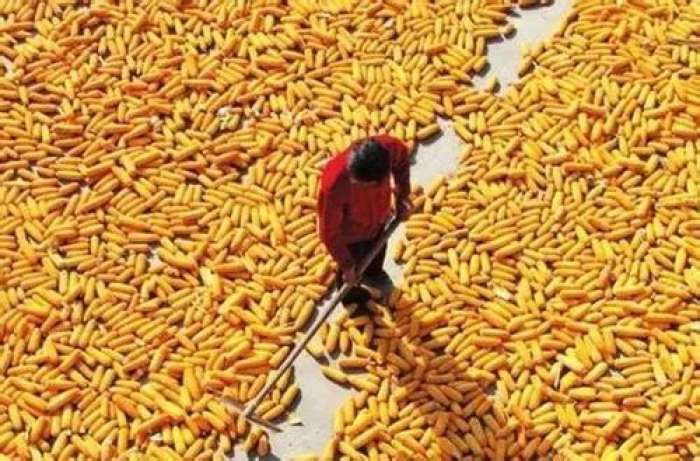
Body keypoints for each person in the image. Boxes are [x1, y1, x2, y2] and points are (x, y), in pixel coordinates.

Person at [318, 135, 411, 304]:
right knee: (353, 270)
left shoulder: (388, 148)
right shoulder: (333, 184)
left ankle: (374, 274)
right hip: (351, 233)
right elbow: (329, 233)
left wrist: (402, 196)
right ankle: (354, 301)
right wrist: (347, 265)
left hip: (379, 219)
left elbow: (402, 160)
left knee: (377, 251)